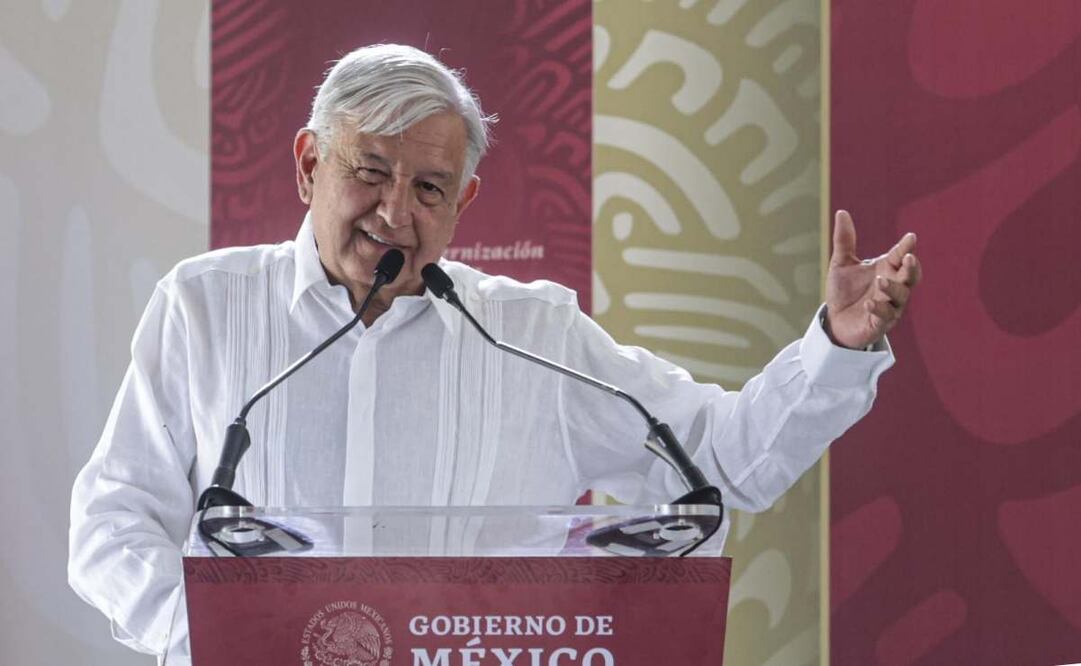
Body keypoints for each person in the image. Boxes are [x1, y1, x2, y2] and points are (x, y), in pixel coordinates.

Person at [68, 44, 921, 659]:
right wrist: (219, 642)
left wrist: (836, 347)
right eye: (368, 170)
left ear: (465, 200)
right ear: (307, 164)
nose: (394, 212)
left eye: (429, 187)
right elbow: (111, 523)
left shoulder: (532, 335)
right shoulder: (204, 307)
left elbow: (724, 462)